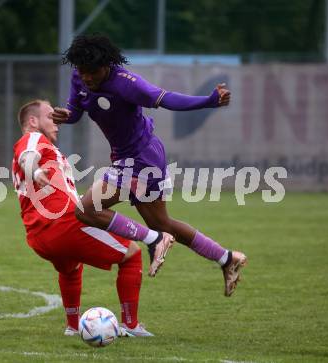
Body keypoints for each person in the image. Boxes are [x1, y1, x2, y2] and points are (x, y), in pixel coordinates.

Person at [53, 34, 247, 297]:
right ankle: (227, 258)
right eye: (82, 71)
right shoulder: (80, 77)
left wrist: (209, 101)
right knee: (162, 223)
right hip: (126, 157)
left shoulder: (126, 84)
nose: (87, 77)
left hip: (142, 157)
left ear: (107, 65)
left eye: (93, 72)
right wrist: (66, 116)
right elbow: (76, 110)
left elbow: (165, 98)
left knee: (87, 209)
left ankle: (155, 241)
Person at [12, 99, 154, 337]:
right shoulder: (33, 138)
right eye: (50, 116)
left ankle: (72, 326)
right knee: (132, 254)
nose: (57, 121)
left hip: (38, 235)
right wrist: (34, 171)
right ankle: (131, 325)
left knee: (70, 268)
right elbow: (27, 157)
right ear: (33, 121)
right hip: (63, 223)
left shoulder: (44, 146)